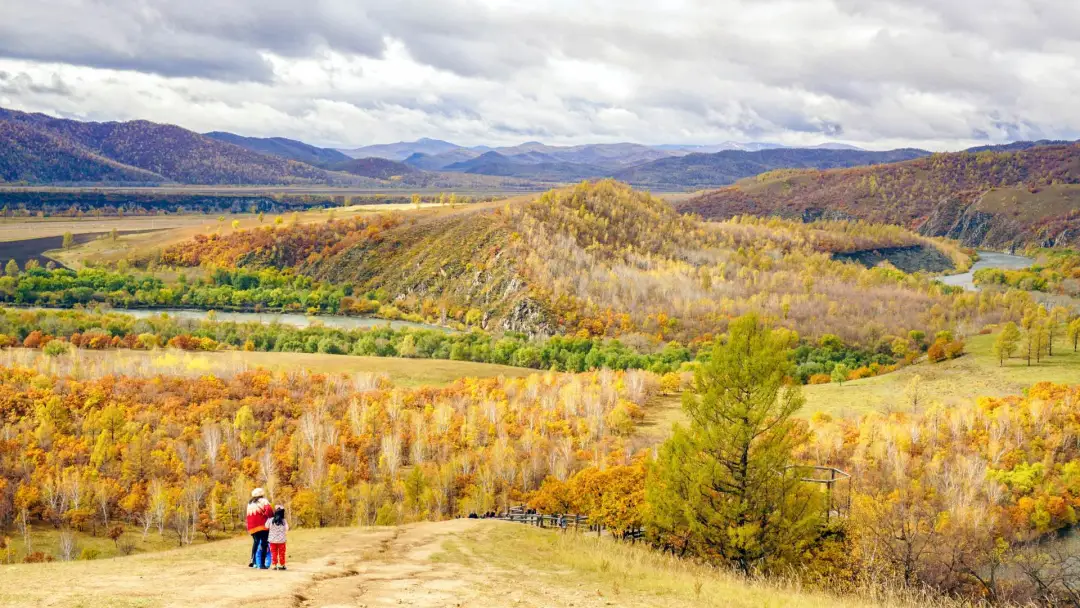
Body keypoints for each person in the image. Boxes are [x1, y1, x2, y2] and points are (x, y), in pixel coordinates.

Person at [246, 488, 274, 569]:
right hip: (262, 525)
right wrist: (272, 518)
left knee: (256, 542)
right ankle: (262, 564)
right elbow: (269, 511)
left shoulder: (249, 503)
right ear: (262, 494)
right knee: (264, 543)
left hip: (252, 527)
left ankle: (253, 561)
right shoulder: (263, 501)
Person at [267, 505, 289, 571]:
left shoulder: (271, 520)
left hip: (272, 540)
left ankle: (274, 565)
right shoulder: (284, 521)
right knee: (282, 553)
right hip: (281, 540)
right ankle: (282, 565)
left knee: (273, 553)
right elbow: (287, 528)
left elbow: (266, 526)